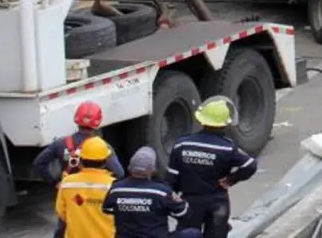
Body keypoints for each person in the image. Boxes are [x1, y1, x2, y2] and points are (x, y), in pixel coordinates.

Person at [168, 96, 257, 238]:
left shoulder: (182, 144)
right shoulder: (227, 147)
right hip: (217, 202)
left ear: (202, 121)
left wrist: (172, 200)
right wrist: (231, 179)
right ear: (225, 125)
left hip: (190, 202)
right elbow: (250, 165)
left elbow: (172, 178)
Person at [103, 147, 199, 238]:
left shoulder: (116, 189)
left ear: (129, 168)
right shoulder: (162, 191)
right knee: (193, 234)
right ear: (153, 171)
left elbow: (107, 209)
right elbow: (184, 214)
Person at [32, 102, 125, 186]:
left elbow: (39, 163)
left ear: (76, 118)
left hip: (69, 194)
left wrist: (56, 183)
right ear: (98, 121)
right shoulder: (102, 146)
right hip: (96, 195)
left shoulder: (60, 143)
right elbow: (119, 173)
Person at [54, 136, 118, 238]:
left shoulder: (67, 183)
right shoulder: (114, 186)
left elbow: (61, 213)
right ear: (105, 161)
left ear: (81, 160)